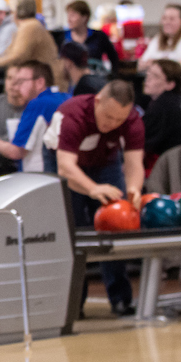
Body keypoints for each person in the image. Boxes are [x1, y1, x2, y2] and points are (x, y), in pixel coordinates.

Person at [44, 81, 144, 316]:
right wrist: (93, 189)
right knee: (72, 228)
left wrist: (134, 189)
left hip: (105, 161)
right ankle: (73, 303)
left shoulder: (132, 120)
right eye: (108, 116)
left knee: (115, 225)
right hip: (61, 161)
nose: (112, 124)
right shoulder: (72, 114)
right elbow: (65, 167)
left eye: (119, 120)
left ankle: (120, 299)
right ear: (98, 101)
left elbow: (134, 163)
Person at [0, 61, 67, 173]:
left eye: (21, 81)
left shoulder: (38, 104)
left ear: (40, 82)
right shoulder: (64, 97)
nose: (17, 86)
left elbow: (16, 151)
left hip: (39, 177)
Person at [0, 0, 61, 85]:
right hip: (43, 80)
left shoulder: (29, 26)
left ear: (17, 11)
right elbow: (9, 53)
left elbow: (17, 57)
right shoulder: (27, 26)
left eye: (11, 11)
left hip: (47, 82)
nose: (10, 14)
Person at [140, 4, 181, 91]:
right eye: (164, 18)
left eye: (172, 19)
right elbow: (141, 65)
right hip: (158, 89)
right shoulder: (158, 39)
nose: (167, 22)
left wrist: (156, 64)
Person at [141, 59, 181, 172]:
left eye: (155, 76)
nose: (147, 79)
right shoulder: (180, 99)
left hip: (168, 166)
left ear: (170, 84)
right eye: (148, 74)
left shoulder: (162, 107)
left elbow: (142, 144)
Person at [62, 0, 121, 68]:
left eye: (73, 15)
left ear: (84, 17)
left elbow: (113, 57)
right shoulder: (63, 37)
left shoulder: (99, 36)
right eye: (68, 15)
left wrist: (113, 76)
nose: (69, 20)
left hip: (95, 76)